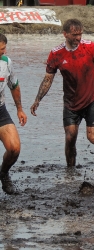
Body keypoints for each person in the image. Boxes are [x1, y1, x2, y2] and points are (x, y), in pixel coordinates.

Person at [30, 19, 94, 168]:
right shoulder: (56, 54)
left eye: (80, 34)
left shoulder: (91, 47)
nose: (78, 38)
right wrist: (37, 100)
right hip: (71, 103)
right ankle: (70, 171)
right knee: (70, 137)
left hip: (92, 99)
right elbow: (48, 79)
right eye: (74, 35)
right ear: (65, 34)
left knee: (93, 138)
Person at [0, 34, 27, 195]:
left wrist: (19, 109)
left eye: (3, 49)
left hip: (0, 110)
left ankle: (3, 174)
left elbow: (14, 85)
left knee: (14, 148)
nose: (2, 52)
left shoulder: (6, 62)